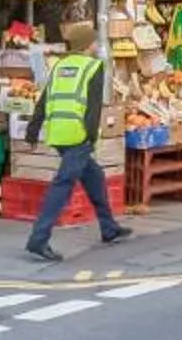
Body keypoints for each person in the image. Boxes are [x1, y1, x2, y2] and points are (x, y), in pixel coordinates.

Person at [23, 22, 131, 262]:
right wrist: (91, 139)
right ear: (87, 44)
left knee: (94, 176)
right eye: (94, 41)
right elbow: (92, 108)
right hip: (79, 133)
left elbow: (43, 100)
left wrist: (33, 130)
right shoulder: (94, 67)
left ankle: (108, 227)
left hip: (59, 132)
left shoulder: (60, 66)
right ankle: (38, 239)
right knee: (62, 185)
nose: (97, 45)